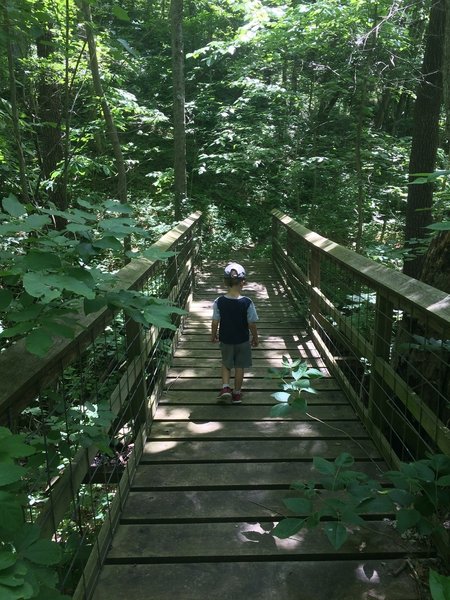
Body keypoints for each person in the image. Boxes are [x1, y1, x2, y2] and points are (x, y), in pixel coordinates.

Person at [211, 262, 259, 404]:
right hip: (243, 340)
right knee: (239, 366)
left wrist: (213, 335)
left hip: (225, 339)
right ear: (243, 283)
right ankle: (237, 393)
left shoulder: (218, 301)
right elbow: (251, 323)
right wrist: (255, 338)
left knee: (226, 364)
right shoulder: (247, 302)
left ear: (225, 282)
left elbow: (215, 321)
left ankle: (226, 388)